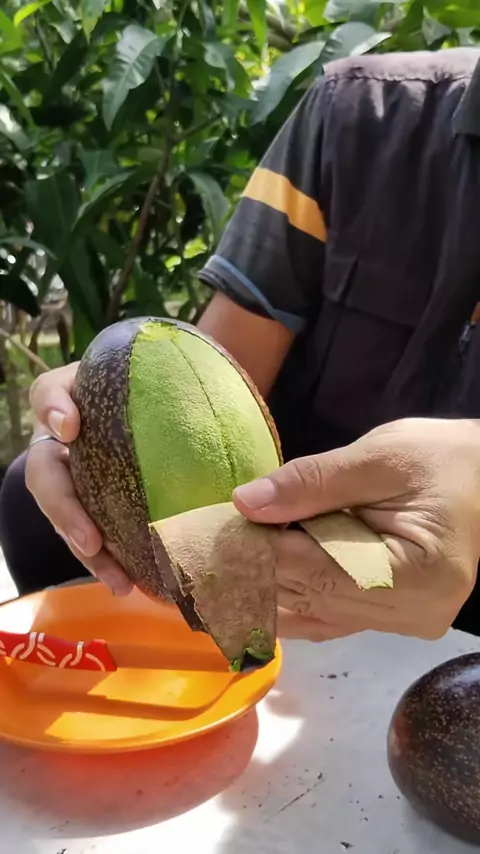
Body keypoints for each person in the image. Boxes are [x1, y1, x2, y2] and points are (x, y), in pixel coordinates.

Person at [3, 47, 480, 643]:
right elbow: (210, 379)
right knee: (34, 498)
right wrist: (98, 427)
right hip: (279, 537)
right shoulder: (358, 116)